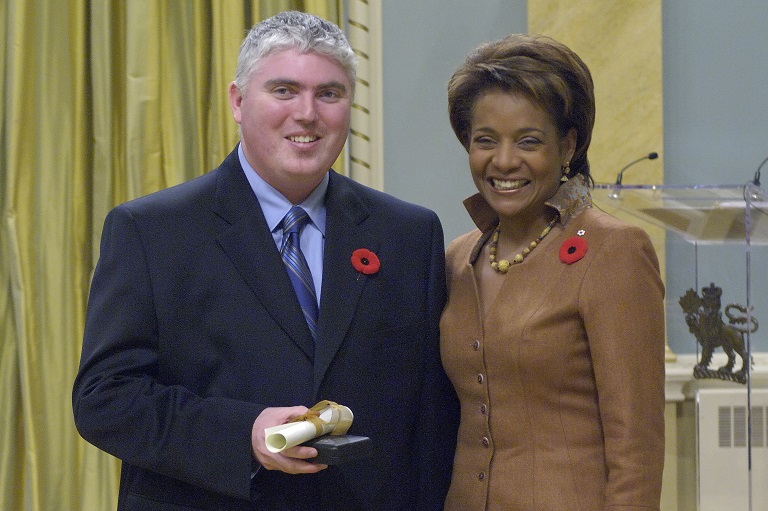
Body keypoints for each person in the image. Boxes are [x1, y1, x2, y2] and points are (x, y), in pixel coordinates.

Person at [72, 11, 458, 511]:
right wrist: (242, 435)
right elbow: (105, 399)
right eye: (283, 90)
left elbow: (430, 418)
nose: (307, 113)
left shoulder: (409, 234)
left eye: (329, 94)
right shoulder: (152, 231)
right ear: (237, 100)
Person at [440, 34, 666, 510]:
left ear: (568, 145)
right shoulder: (458, 260)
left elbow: (637, 450)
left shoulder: (614, 252)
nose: (503, 161)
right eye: (485, 140)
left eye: (528, 141)